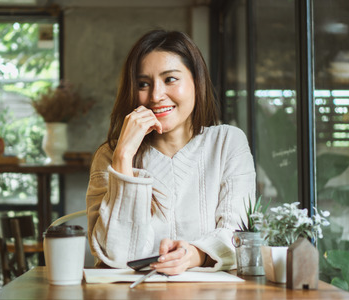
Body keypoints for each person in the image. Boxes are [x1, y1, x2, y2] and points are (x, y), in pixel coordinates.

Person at [86, 29, 256, 275]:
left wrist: (193, 255)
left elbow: (238, 236)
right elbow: (114, 256)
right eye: (143, 84)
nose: (156, 96)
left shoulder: (228, 142)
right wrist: (123, 158)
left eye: (170, 79)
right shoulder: (109, 155)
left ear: (196, 81)